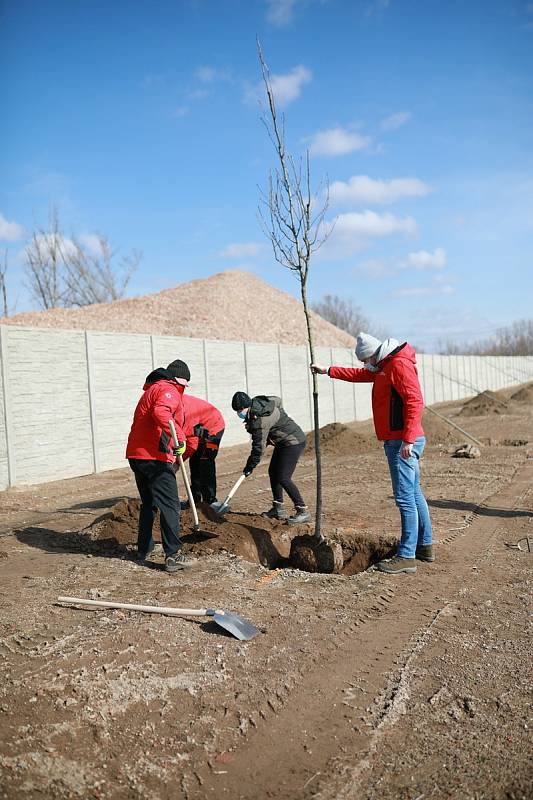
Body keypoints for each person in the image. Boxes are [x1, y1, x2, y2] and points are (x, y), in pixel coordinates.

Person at [311, 332, 433, 574]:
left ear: (374, 355)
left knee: (405, 498)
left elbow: (414, 401)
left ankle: (407, 555)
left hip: (402, 441)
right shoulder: (385, 365)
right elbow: (360, 375)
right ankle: (424, 546)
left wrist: (408, 439)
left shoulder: (397, 365)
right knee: (414, 494)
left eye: (365, 359)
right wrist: (328, 370)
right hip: (400, 438)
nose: (364, 365)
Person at [126, 359, 193, 573]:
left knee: (149, 503)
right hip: (153, 457)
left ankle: (143, 548)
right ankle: (173, 555)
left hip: (137, 455)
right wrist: (180, 439)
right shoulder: (168, 389)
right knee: (171, 505)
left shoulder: (152, 390)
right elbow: (161, 413)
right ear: (179, 381)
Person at [231, 391, 311, 524]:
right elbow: (277, 400)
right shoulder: (259, 403)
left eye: (240, 410)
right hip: (283, 441)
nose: (239, 413)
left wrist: (250, 466)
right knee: (273, 472)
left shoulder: (260, 420)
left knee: (283, 477)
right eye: (237, 410)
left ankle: (303, 511)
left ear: (247, 406)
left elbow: (258, 449)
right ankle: (278, 508)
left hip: (293, 442)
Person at [181, 394, 225, 507]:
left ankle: (210, 500)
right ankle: (194, 499)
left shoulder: (187, 410)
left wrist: (178, 461)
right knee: (194, 462)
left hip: (214, 429)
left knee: (206, 461)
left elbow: (192, 443)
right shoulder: (174, 405)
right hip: (199, 432)